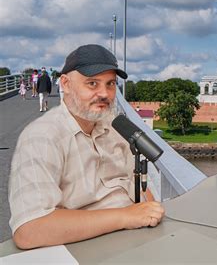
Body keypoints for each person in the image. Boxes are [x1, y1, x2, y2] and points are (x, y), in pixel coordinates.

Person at [9, 44, 165, 250]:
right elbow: (29, 230)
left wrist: (149, 214)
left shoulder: (116, 126)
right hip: (85, 249)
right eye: (92, 83)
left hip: (136, 242)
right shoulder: (42, 137)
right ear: (65, 84)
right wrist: (125, 217)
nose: (104, 94)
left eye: (110, 84)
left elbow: (143, 192)